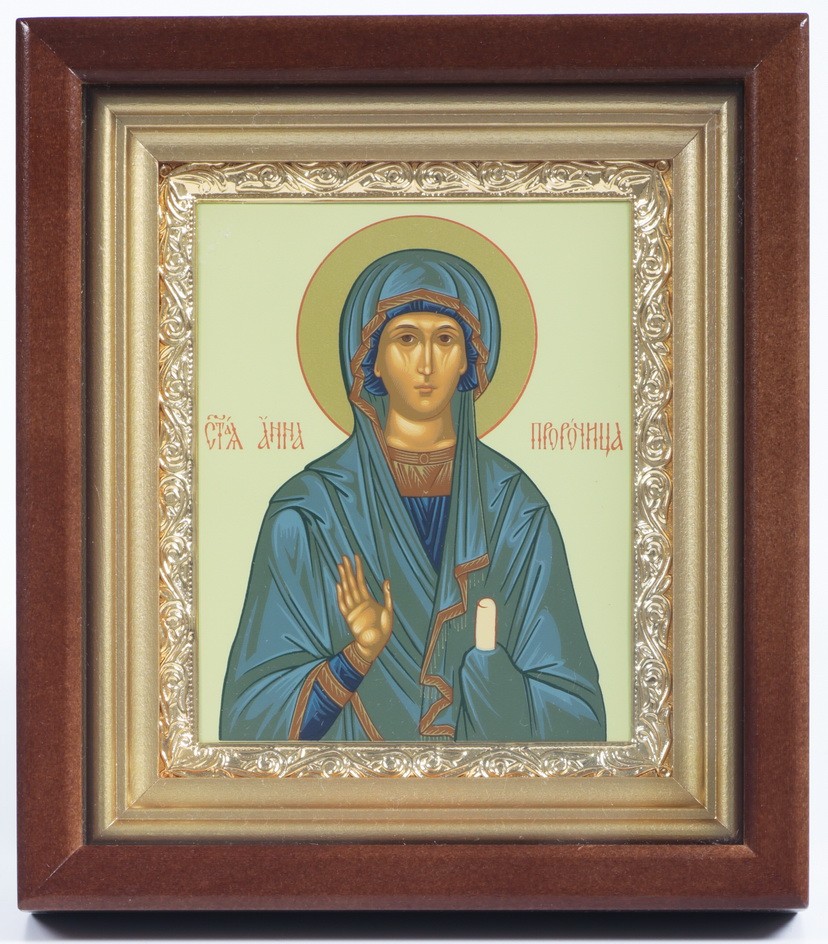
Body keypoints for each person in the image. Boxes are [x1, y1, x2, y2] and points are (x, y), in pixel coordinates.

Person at [220, 249, 606, 742]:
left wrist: (493, 683)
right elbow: (249, 724)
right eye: (406, 339)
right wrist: (357, 656)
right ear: (372, 360)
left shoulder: (515, 510)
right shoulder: (308, 514)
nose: (426, 363)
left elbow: (579, 720)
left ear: (469, 359)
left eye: (445, 339)